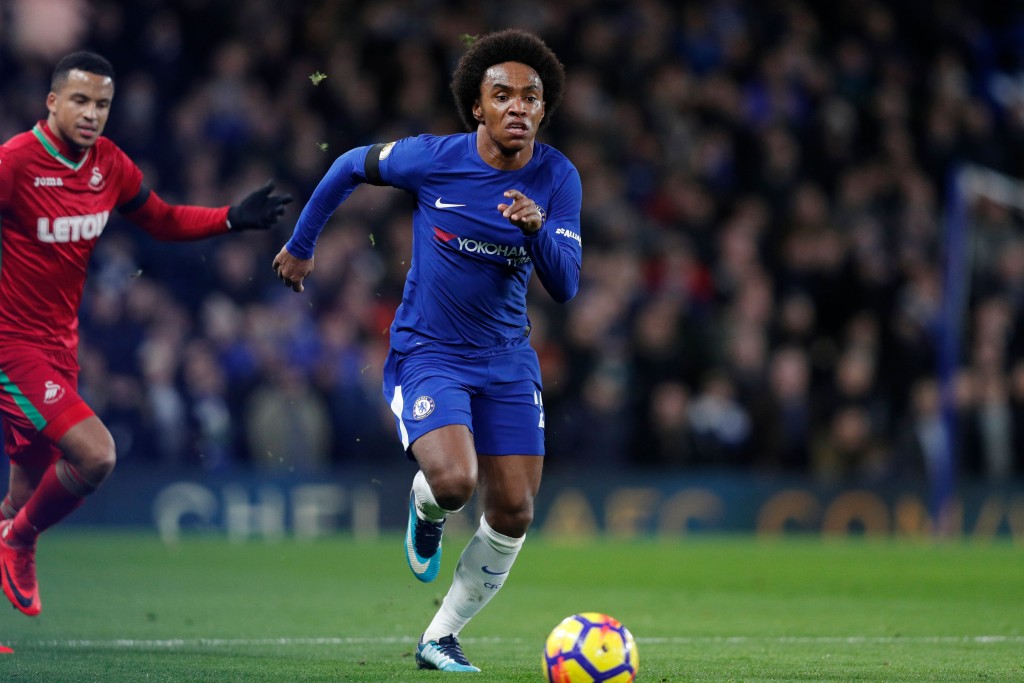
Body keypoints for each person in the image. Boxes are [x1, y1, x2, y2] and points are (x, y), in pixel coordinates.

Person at [273, 29, 580, 672]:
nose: (518, 107)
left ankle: (438, 636)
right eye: (503, 95)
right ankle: (426, 505)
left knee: (516, 510)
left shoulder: (557, 177)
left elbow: (567, 284)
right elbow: (347, 165)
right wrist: (303, 244)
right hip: (430, 351)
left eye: (531, 96)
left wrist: (537, 230)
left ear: (544, 109)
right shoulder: (433, 159)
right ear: (478, 106)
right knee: (454, 481)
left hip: (507, 358)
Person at [0, 51, 292, 616]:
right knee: (96, 456)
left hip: (61, 348)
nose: (92, 113)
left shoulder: (108, 164)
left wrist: (230, 217)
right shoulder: (15, 163)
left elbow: (159, 218)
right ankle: (22, 541)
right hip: (13, 349)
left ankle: (13, 536)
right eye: (81, 100)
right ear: (52, 101)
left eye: (102, 104)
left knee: (19, 496)